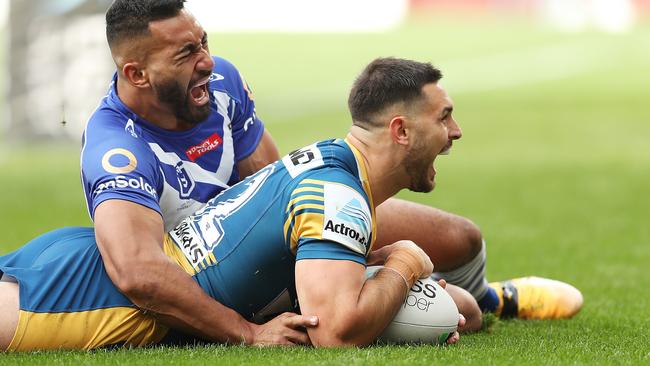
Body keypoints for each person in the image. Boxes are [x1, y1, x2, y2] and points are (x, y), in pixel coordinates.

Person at [80, 0, 580, 346]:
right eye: (186, 54)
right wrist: (246, 330)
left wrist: (344, 243)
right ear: (136, 75)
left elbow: (270, 179)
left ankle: (493, 296)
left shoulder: (221, 84)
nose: (207, 62)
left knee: (458, 237)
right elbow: (137, 271)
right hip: (215, 275)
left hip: (267, 226)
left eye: (203, 42)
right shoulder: (114, 148)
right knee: (432, 308)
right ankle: (468, 304)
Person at [0, 57, 479, 351]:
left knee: (463, 306)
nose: (455, 132)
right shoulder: (337, 193)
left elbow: (454, 311)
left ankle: (498, 294)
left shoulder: (333, 162)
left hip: (98, 262)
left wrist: (396, 275)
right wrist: (403, 262)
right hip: (91, 293)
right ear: (400, 130)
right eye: (445, 118)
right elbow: (338, 334)